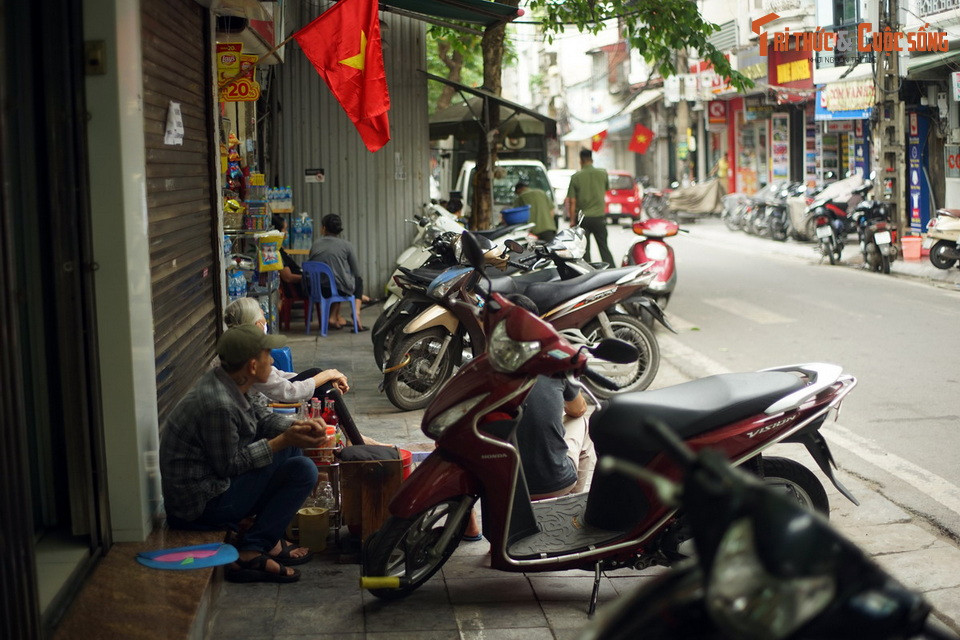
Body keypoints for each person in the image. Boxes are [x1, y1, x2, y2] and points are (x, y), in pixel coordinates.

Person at [160, 325, 331, 584]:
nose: (272, 361)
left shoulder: (229, 381)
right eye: (268, 356)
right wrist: (284, 440)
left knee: (297, 454)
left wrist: (297, 427)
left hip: (215, 488)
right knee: (303, 469)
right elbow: (230, 465)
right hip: (200, 508)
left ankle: (263, 540)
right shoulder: (218, 404)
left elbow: (260, 418)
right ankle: (252, 552)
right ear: (252, 365)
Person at [223, 298, 384, 448]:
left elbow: (277, 375)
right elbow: (289, 392)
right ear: (258, 325)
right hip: (263, 413)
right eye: (263, 314)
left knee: (320, 380)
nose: (265, 318)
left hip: (269, 401)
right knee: (321, 383)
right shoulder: (249, 356)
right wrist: (327, 375)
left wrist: (321, 379)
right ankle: (354, 437)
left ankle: (353, 436)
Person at [506, 294, 593, 499]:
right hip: (554, 483)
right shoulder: (553, 362)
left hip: (502, 488)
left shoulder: (480, 367)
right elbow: (578, 409)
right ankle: (571, 505)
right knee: (583, 423)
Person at [307, 213, 374, 331]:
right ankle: (356, 313)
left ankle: (333, 318)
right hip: (337, 289)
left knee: (336, 281)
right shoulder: (346, 245)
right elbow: (357, 272)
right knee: (357, 281)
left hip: (316, 288)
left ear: (323, 228)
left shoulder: (315, 244)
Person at [567, 148, 613, 266]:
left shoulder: (576, 177)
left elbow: (572, 201)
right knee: (603, 247)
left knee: (585, 250)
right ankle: (612, 271)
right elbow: (606, 190)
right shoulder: (602, 173)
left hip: (583, 219)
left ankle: (588, 274)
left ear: (581, 160)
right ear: (591, 159)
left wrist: (572, 221)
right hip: (599, 217)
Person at [271, 214, 304, 300]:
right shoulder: (277, 253)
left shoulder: (280, 249)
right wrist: (306, 278)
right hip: (297, 289)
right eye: (285, 229)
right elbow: (288, 277)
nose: (286, 232)